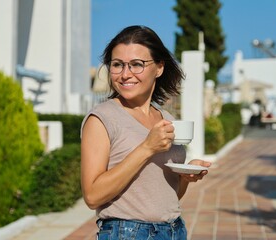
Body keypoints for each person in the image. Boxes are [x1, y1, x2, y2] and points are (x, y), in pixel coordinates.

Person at [80, 25, 211, 240]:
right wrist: (147, 148)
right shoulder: (102, 118)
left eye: (136, 65)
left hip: (174, 230)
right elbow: (92, 196)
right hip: (128, 233)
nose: (125, 74)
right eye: (117, 65)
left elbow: (167, 198)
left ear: (159, 67)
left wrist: (186, 178)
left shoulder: (167, 120)